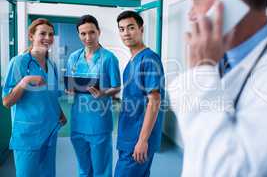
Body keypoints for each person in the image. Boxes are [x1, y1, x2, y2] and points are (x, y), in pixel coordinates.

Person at [168, 0, 267, 176]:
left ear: (234, 1)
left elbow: (225, 170)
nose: (190, 14)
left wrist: (201, 71)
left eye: (195, 1)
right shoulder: (218, 55)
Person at [2, 18, 67, 177]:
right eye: (42, 33)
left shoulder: (51, 65)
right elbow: (7, 101)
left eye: (51, 34)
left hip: (50, 131)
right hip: (28, 135)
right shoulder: (19, 63)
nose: (48, 38)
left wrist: (60, 113)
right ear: (31, 36)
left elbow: (52, 96)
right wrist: (25, 81)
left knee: (48, 174)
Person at [65, 15, 121, 177]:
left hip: (99, 121)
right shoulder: (74, 58)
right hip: (78, 121)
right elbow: (70, 83)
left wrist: (104, 93)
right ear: (78, 34)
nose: (88, 37)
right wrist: (70, 90)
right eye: (83, 34)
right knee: (83, 168)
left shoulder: (109, 58)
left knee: (101, 169)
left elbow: (117, 87)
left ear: (98, 32)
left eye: (91, 32)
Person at [114, 10, 165, 177]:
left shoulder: (149, 59)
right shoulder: (132, 60)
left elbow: (154, 101)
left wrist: (142, 141)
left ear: (141, 29)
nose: (126, 33)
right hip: (128, 133)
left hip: (137, 137)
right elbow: (135, 94)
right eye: (121, 29)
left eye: (131, 28)